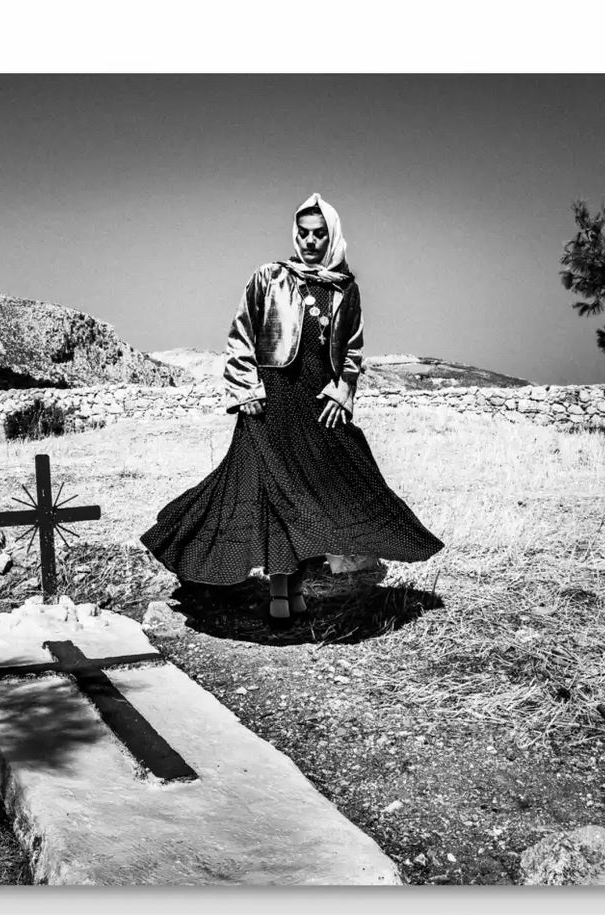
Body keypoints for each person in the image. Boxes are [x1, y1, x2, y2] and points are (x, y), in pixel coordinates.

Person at [140, 192, 444, 620]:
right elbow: (242, 335)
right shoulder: (269, 277)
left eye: (319, 234)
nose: (310, 241)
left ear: (332, 236)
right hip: (270, 403)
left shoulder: (345, 288)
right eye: (303, 233)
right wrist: (246, 390)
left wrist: (344, 389)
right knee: (269, 496)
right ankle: (278, 595)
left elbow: (353, 347)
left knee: (319, 493)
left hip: (318, 406)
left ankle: (296, 588)